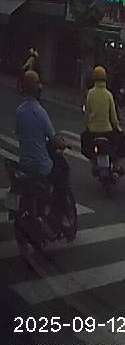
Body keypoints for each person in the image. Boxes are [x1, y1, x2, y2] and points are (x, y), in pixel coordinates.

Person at [15, 71, 69, 238]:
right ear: (37, 88)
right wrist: (63, 143)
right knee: (62, 176)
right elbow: (53, 139)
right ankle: (56, 215)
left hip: (23, 164)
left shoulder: (19, 111)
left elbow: (20, 133)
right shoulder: (40, 112)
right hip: (40, 167)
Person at [83, 65, 125, 173]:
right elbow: (113, 116)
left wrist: (87, 126)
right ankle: (116, 165)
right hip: (107, 131)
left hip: (93, 131)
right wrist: (118, 127)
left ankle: (94, 163)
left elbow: (87, 114)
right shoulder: (108, 95)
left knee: (85, 143)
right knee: (121, 141)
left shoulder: (90, 94)